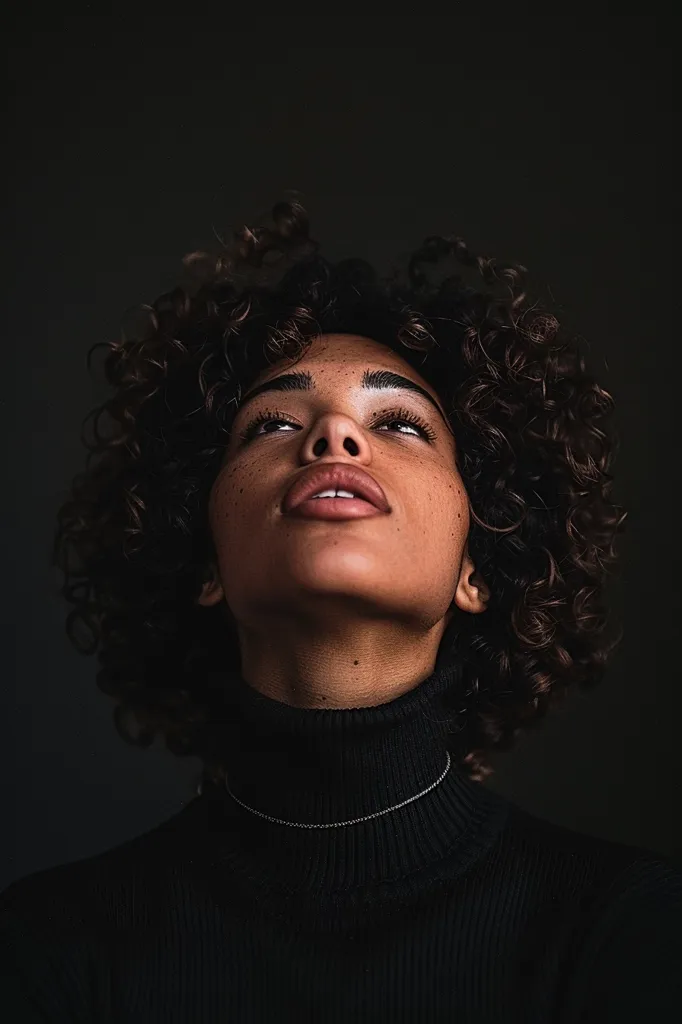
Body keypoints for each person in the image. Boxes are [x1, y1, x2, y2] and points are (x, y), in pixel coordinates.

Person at [1, 198, 679, 1022]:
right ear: (207, 561)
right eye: (273, 423)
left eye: (398, 422)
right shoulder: (47, 949)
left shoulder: (631, 933)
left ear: (476, 566)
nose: (334, 438)